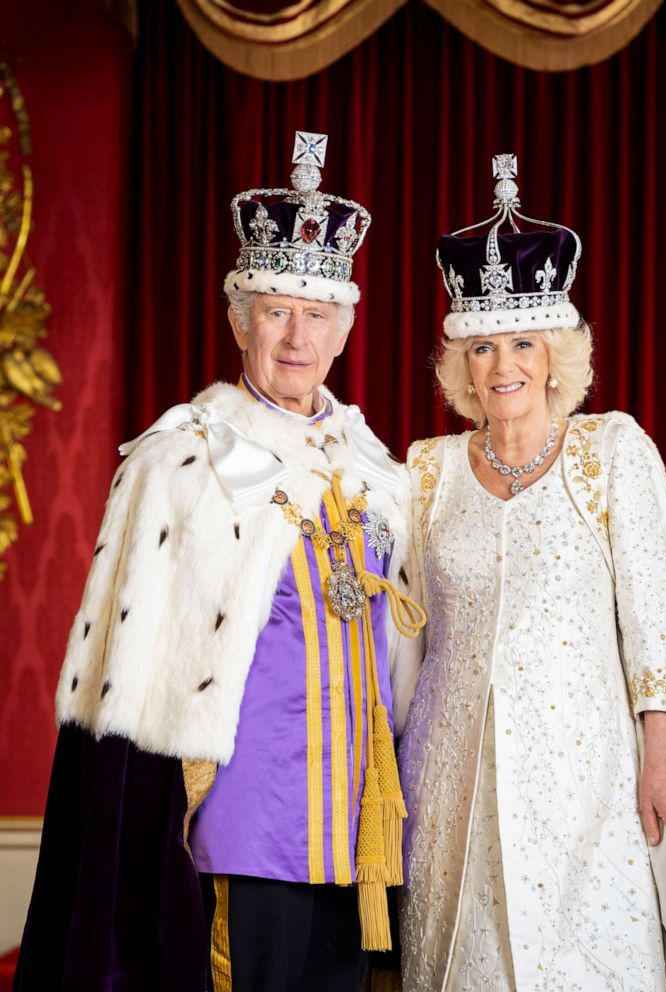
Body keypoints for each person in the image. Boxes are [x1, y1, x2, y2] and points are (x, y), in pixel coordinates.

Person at [14, 131, 424, 992]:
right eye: (275, 309)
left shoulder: (376, 472)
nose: (295, 335)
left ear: (345, 329)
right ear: (239, 319)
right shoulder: (185, 459)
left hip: (353, 828)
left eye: (317, 314)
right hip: (239, 821)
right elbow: (124, 685)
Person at [395, 155, 666, 992]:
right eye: (482, 345)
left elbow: (655, 624)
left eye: (522, 342)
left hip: (588, 782)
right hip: (450, 781)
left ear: (556, 354)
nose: (503, 364)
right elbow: (401, 633)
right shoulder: (425, 472)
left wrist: (662, 763)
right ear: (460, 363)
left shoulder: (612, 451)